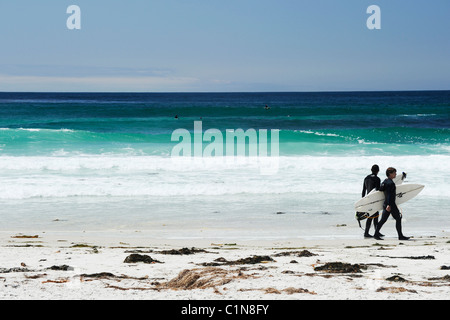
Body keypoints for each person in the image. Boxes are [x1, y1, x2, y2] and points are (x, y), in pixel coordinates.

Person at [374, 167, 410, 241]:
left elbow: (380, 189)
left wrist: (387, 204)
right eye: (394, 173)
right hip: (390, 204)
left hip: (386, 203)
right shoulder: (391, 183)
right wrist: (389, 205)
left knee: (383, 220)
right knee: (398, 218)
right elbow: (390, 195)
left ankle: (376, 234)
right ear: (390, 174)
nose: (396, 174)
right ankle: (400, 236)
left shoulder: (385, 181)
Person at [361, 165, 381, 238]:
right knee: (372, 216)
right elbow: (378, 190)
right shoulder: (377, 179)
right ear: (378, 171)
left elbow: (364, 190)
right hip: (375, 199)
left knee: (374, 215)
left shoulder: (366, 178)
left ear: (371, 170)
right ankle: (366, 233)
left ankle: (376, 231)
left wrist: (363, 201)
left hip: (368, 199)